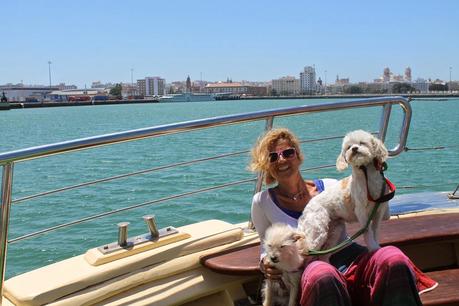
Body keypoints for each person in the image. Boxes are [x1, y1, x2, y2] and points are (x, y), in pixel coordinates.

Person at [249, 128, 437, 306]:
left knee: (392, 257)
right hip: (309, 266)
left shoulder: (330, 186)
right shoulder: (262, 202)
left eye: (288, 153)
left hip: (349, 256)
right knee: (323, 274)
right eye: (273, 157)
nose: (281, 160)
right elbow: (265, 248)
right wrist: (266, 263)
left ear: (298, 155)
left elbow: (368, 196)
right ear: (267, 165)